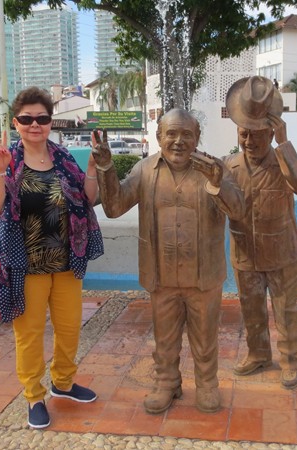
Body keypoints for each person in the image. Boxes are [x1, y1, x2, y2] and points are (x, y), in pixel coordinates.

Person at [91, 108, 244, 414]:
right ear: (159, 136)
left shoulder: (215, 169)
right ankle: (166, 382)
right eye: (171, 134)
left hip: (203, 275)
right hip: (161, 273)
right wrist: (106, 167)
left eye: (186, 134)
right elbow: (115, 207)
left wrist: (218, 185)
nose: (178, 141)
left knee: (205, 337)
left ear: (197, 138)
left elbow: (238, 211)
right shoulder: (145, 170)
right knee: (164, 337)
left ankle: (207, 384)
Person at [0, 86, 104, 429]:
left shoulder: (62, 157)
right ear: (16, 123)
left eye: (42, 118)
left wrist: (92, 168)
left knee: (69, 328)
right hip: (25, 266)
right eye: (27, 118)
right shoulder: (8, 159)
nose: (35, 124)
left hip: (66, 261)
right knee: (30, 334)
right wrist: (0, 170)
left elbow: (87, 199)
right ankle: (34, 395)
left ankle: (63, 382)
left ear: (50, 122)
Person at [223, 76, 297, 389]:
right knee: (251, 309)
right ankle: (258, 354)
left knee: (285, 310)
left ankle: (289, 360)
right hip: (245, 253)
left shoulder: (283, 161)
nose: (249, 141)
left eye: (257, 134)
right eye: (243, 133)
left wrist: (284, 146)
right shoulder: (229, 166)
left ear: (272, 132)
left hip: (283, 252)